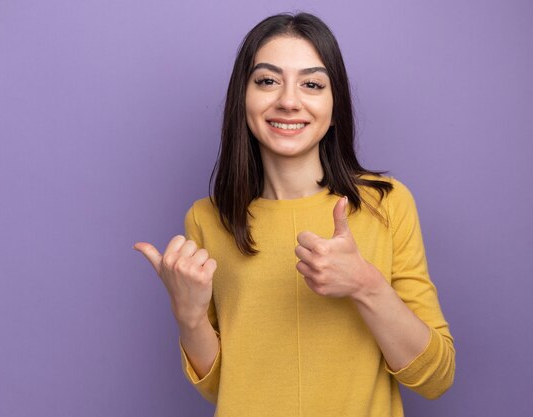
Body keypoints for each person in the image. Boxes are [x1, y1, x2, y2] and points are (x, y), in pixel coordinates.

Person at [134, 12, 455, 417]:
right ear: (243, 99)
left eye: (312, 84)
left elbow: (436, 378)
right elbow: (223, 388)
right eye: (267, 81)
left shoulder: (386, 204)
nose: (288, 100)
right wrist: (188, 314)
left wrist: (366, 285)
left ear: (334, 106)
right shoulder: (206, 219)